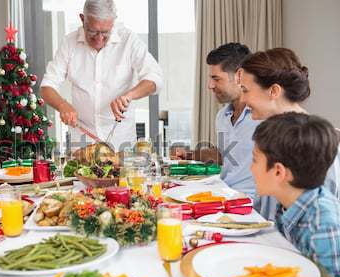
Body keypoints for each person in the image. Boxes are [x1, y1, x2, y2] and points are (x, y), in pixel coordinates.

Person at [40, 0, 163, 151]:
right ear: (82, 19)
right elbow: (47, 86)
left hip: (120, 144)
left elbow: (155, 78)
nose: (99, 39)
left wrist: (129, 96)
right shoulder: (69, 43)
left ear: (113, 23)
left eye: (105, 33)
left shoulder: (129, 40)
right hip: (82, 144)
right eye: (92, 31)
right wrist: (62, 105)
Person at [240, 47, 340, 219]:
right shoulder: (271, 135)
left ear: (274, 91)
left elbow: (325, 219)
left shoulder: (316, 142)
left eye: (245, 90)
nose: (242, 99)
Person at [251, 112, 340, 277]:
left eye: (255, 160)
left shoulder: (322, 226)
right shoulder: (289, 202)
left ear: (279, 172)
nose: (251, 168)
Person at [172, 43, 261, 202]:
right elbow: (224, 155)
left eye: (216, 78)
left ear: (239, 76)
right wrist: (190, 154)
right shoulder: (223, 116)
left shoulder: (262, 117)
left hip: (249, 204)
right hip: (224, 193)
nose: (210, 85)